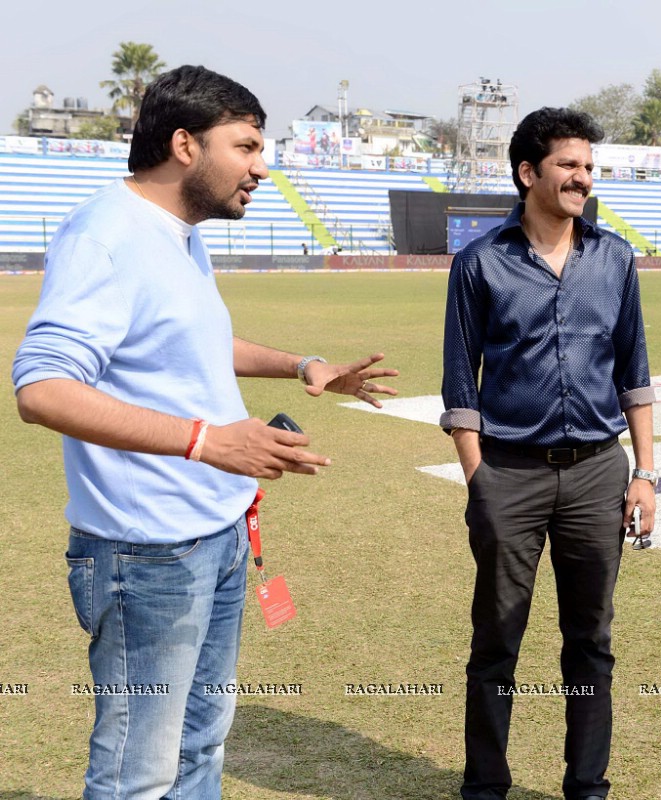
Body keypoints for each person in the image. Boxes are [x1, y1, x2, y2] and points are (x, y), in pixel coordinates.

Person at [12, 65, 398, 800]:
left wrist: (300, 365)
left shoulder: (178, 234)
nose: (262, 166)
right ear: (184, 144)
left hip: (214, 537)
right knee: (138, 772)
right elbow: (43, 388)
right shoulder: (106, 236)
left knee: (200, 747)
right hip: (146, 556)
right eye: (247, 146)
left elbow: (185, 341)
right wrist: (207, 442)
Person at [440, 106, 656, 800]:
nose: (582, 178)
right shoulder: (479, 264)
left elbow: (636, 375)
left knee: (591, 641)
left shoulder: (616, 258)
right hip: (508, 474)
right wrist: (481, 483)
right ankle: (485, 787)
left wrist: (645, 474)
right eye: (568, 165)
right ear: (529, 172)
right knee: (497, 641)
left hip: (598, 473)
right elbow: (457, 382)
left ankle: (587, 787)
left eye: (588, 167)